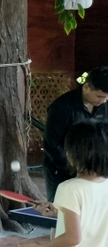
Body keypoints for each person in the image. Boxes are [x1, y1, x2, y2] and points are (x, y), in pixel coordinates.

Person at [43, 67, 108, 201]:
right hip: (63, 169)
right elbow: (52, 144)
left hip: (96, 171)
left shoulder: (104, 105)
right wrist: (75, 168)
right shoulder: (62, 108)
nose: (103, 100)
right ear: (86, 87)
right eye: (100, 96)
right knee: (60, 209)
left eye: (107, 97)